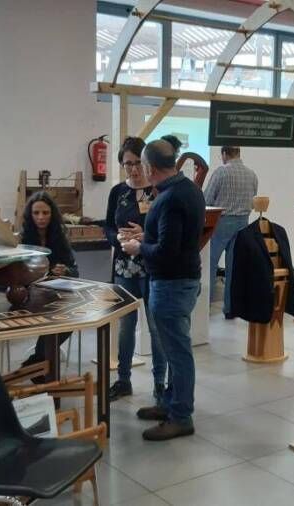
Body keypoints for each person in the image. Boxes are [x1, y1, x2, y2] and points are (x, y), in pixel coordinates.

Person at [121, 135, 205, 441]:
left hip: (171, 284)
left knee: (178, 353)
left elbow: (168, 252)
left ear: (149, 166)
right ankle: (170, 403)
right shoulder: (187, 189)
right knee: (173, 350)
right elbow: (177, 241)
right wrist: (147, 235)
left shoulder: (170, 198)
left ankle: (181, 416)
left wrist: (137, 248)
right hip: (181, 280)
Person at [103, 136, 167, 403]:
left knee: (155, 328)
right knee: (125, 327)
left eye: (137, 163)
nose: (133, 169)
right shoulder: (118, 192)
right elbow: (106, 225)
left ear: (146, 163)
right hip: (124, 268)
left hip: (151, 268)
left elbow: (164, 230)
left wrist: (145, 235)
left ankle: (159, 384)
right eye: (127, 164)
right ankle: (123, 379)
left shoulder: (158, 192)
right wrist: (115, 238)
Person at [20, 192, 79, 381]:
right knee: (50, 327)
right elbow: (17, 272)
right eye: (36, 213)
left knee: (68, 323)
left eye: (45, 213)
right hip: (30, 296)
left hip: (56, 296)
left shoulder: (60, 237)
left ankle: (34, 365)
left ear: (52, 214)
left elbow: (75, 271)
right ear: (30, 214)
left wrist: (66, 271)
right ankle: (40, 369)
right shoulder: (23, 238)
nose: (41, 217)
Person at [204, 146, 258, 307]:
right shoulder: (251, 174)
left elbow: (207, 199)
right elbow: (253, 197)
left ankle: (207, 305)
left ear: (224, 154)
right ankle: (230, 307)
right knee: (233, 267)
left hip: (221, 222)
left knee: (210, 264)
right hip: (243, 222)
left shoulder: (221, 172)